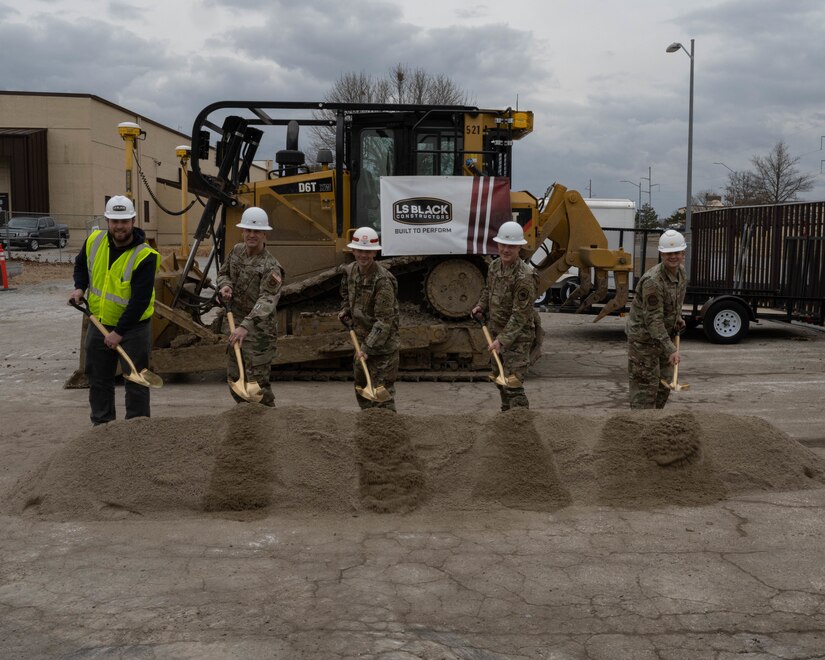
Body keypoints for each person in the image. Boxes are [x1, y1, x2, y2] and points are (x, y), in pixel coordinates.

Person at [69, 195, 160, 425]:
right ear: (107, 220)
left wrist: (118, 332)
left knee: (136, 380)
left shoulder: (145, 256)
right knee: (99, 380)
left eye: (125, 221)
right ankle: (103, 428)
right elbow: (81, 265)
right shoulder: (94, 241)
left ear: (133, 220)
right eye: (114, 221)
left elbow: (139, 302)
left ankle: (136, 430)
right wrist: (80, 288)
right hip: (99, 323)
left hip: (133, 329)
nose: (119, 226)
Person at [216, 207, 283, 407]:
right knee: (236, 380)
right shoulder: (236, 251)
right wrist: (225, 286)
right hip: (235, 327)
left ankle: (267, 424)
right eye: (248, 230)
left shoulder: (271, 266)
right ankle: (245, 425)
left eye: (256, 231)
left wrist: (245, 326)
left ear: (265, 234)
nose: (251, 235)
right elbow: (223, 273)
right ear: (243, 231)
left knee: (257, 387)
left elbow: (267, 300)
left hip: (258, 334)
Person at [471, 221, 538, 411]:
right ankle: (507, 419)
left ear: (519, 247)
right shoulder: (494, 266)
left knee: (513, 384)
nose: (506, 250)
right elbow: (488, 289)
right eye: (503, 245)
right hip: (496, 333)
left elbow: (520, 316)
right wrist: (481, 306)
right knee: (500, 381)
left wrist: (502, 340)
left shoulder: (524, 277)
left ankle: (520, 422)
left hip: (517, 339)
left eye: (511, 246)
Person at [337, 227, 400, 411]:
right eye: (360, 250)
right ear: (353, 250)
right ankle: (367, 433)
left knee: (382, 398)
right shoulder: (350, 271)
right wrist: (345, 310)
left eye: (368, 251)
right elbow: (345, 295)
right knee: (362, 392)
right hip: (362, 344)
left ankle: (388, 436)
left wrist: (366, 348)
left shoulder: (383, 281)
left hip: (383, 349)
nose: (363, 255)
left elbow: (384, 321)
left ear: (375, 252)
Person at [626, 229, 688, 409]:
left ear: (683, 254)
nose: (673, 257)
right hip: (643, 341)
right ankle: (639, 426)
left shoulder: (681, 274)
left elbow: (675, 301)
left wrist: (677, 317)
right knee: (645, 388)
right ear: (661, 253)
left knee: (664, 384)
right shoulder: (653, 281)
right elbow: (653, 320)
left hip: (663, 338)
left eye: (677, 252)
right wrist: (671, 349)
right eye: (668, 253)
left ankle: (655, 424)